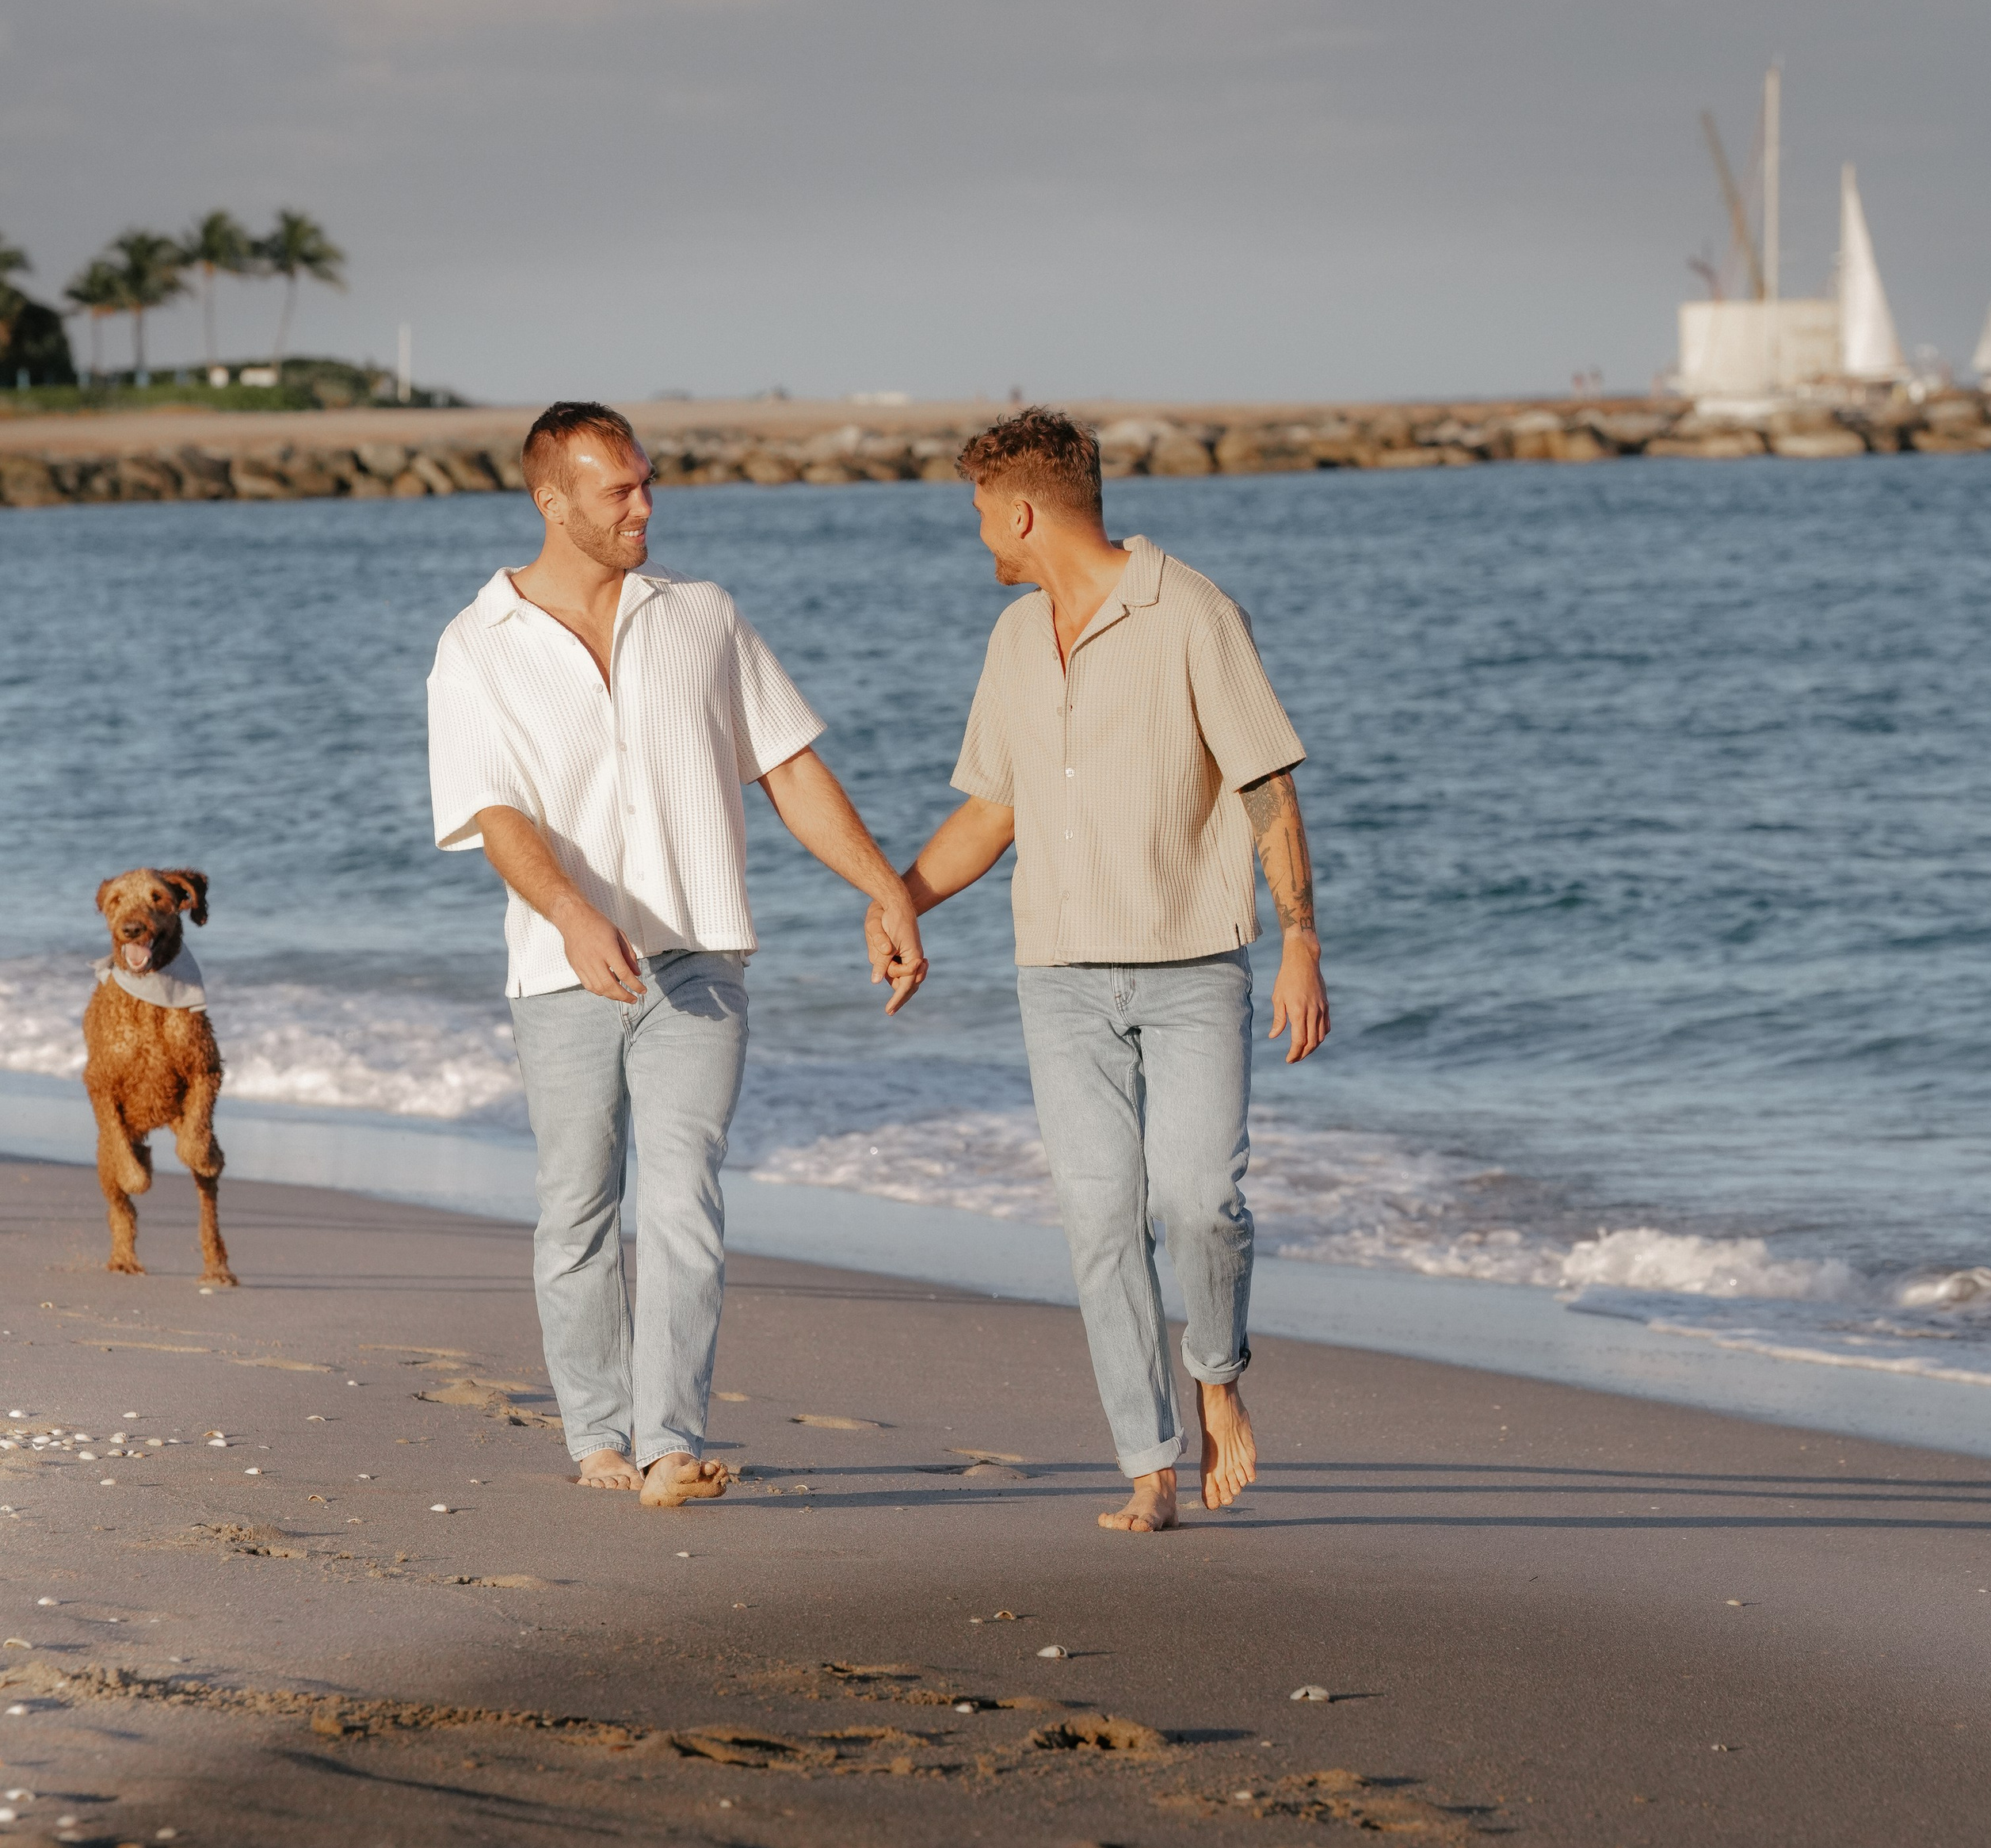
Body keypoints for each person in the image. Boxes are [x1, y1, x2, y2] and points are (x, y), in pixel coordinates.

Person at [428, 401, 925, 1506]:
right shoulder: (478, 645)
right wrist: (568, 910)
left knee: (686, 1190)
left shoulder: (701, 615)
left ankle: (668, 1445)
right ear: (553, 501)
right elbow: (494, 811)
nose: (645, 505)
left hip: (700, 958)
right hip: (562, 971)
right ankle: (597, 1439)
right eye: (620, 490)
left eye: (648, 482)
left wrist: (886, 887)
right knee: (578, 1204)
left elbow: (789, 767)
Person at [875, 408, 1327, 1533]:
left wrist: (1302, 939)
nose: (977, 530)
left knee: (1198, 1201)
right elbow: (992, 808)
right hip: (1058, 979)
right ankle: (1147, 1462)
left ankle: (1216, 1372)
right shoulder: (1016, 641)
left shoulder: (1194, 611)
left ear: (1023, 510)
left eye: (982, 509)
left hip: (1189, 967)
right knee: (1100, 1221)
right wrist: (902, 898)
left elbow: (1267, 785)